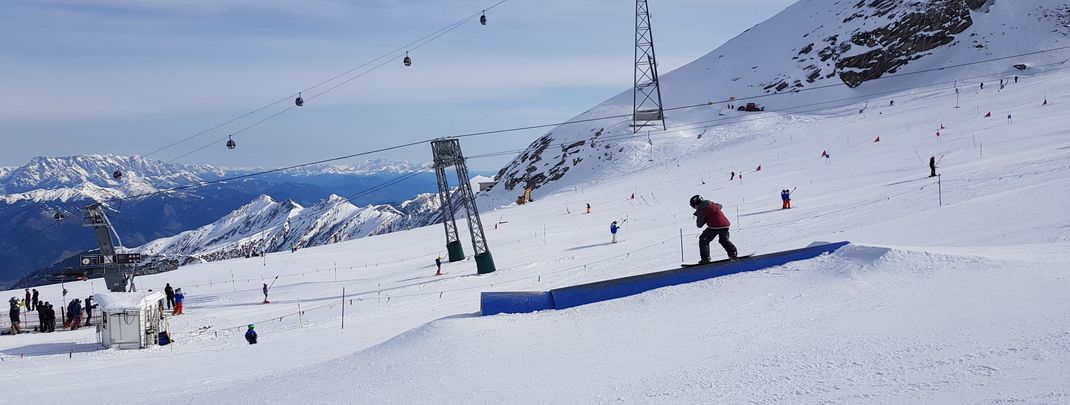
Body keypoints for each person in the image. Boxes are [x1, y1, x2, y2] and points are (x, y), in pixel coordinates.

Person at [690, 195, 738, 264]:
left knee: (703, 239)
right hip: (725, 225)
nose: (694, 208)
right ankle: (733, 253)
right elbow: (720, 206)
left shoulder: (701, 209)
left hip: (715, 226)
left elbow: (699, 225)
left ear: (696, 204)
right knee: (723, 240)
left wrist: (699, 214)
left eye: (693, 206)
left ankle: (705, 259)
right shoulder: (711, 203)